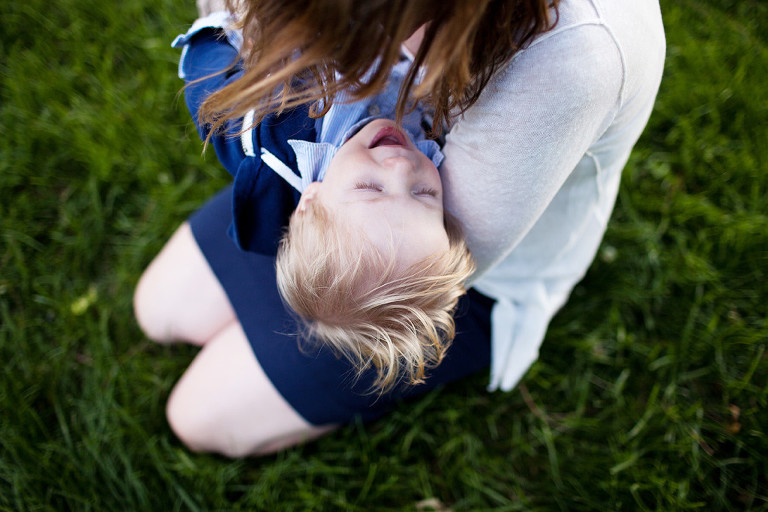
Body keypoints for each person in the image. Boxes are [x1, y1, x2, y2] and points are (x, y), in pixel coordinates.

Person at [134, 0, 666, 457]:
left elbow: (446, 268)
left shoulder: (570, 57)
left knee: (194, 417)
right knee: (158, 310)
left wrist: (347, 188)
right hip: (338, 215)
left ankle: (345, 382)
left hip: (437, 290)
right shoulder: (374, 169)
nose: (402, 166)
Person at [166, 15, 475, 394]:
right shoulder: (424, 143)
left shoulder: (270, 132)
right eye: (424, 194)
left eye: (371, 188)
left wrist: (217, 29)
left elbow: (210, 92)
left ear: (311, 201)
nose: (401, 167)